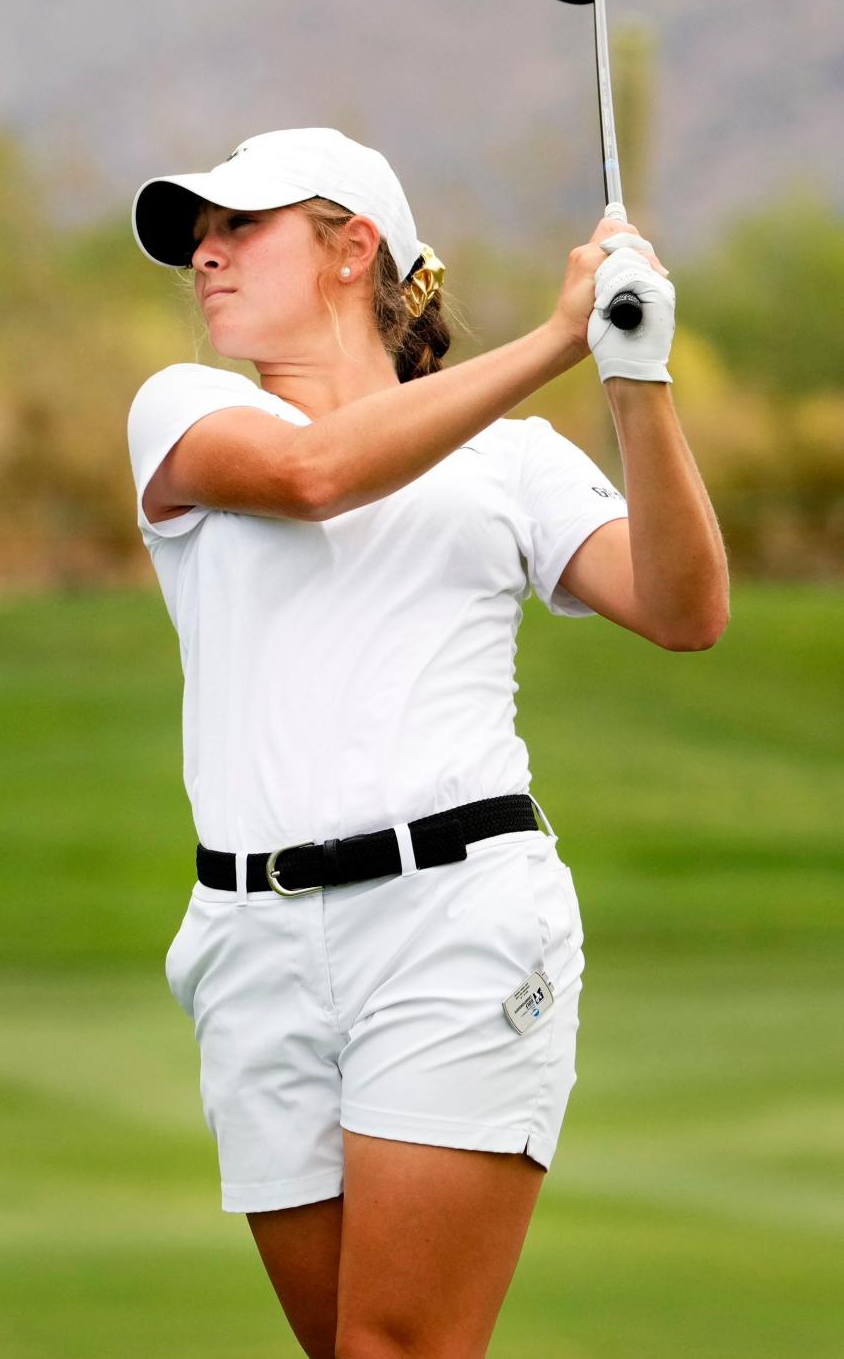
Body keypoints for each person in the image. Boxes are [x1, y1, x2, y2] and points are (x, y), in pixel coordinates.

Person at [126, 126, 729, 1359]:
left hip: (453, 919)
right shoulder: (187, 412)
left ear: (354, 248)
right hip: (251, 942)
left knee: (396, 1348)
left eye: (241, 226)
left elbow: (683, 608)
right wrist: (558, 337)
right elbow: (313, 478)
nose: (206, 254)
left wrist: (634, 380)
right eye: (199, 235)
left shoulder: (513, 461)